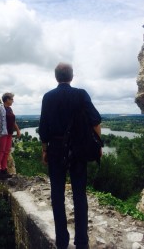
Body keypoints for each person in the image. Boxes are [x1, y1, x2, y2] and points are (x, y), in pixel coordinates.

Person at [39, 63, 101, 249]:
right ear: (71, 76)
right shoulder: (81, 94)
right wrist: (98, 144)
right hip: (78, 148)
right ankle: (81, 242)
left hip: (56, 148)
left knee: (57, 195)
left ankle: (62, 242)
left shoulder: (48, 97)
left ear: (56, 76)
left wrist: (44, 150)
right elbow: (96, 120)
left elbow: (43, 128)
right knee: (79, 195)